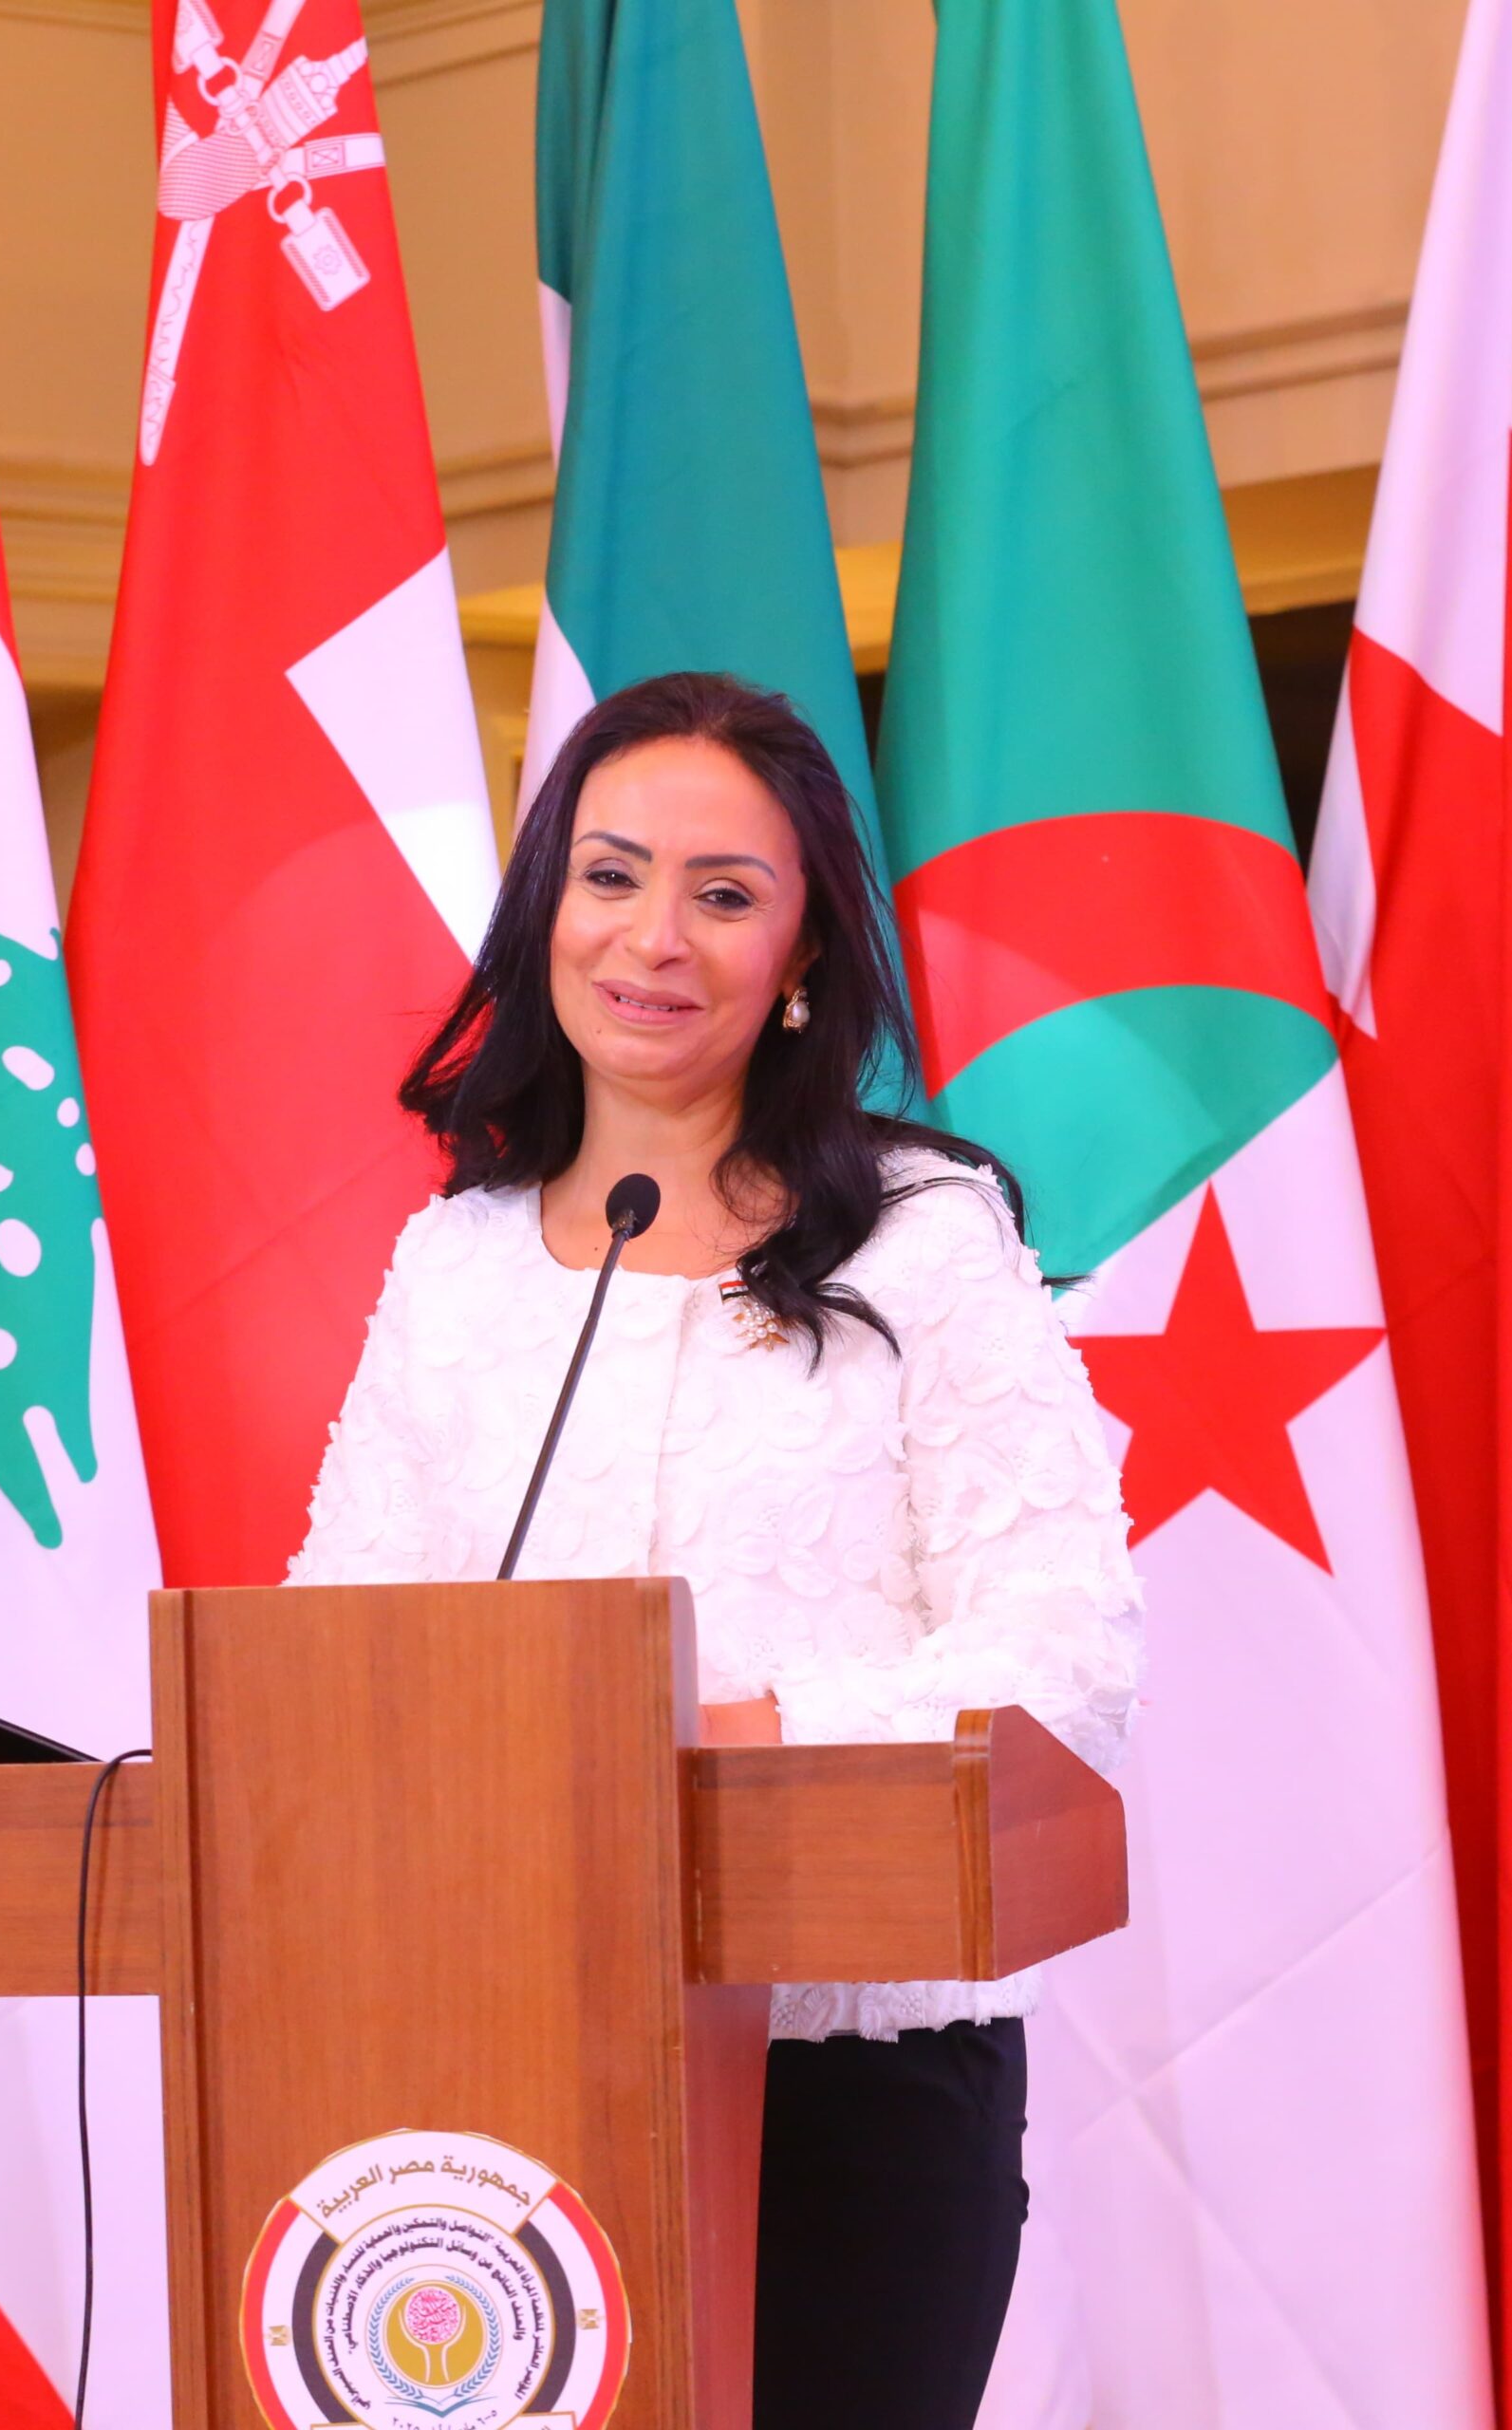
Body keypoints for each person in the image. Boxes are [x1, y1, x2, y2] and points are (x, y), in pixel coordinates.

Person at [290, 669, 1143, 2429]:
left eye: (724, 894)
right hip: (490, 2057)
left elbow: (1063, 1649)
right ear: (546, 908)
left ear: (802, 952)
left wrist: (700, 1754)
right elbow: (337, 1654)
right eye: (610, 876)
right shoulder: (453, 1265)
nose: (652, 938)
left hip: (850, 2081)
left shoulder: (924, 1236)